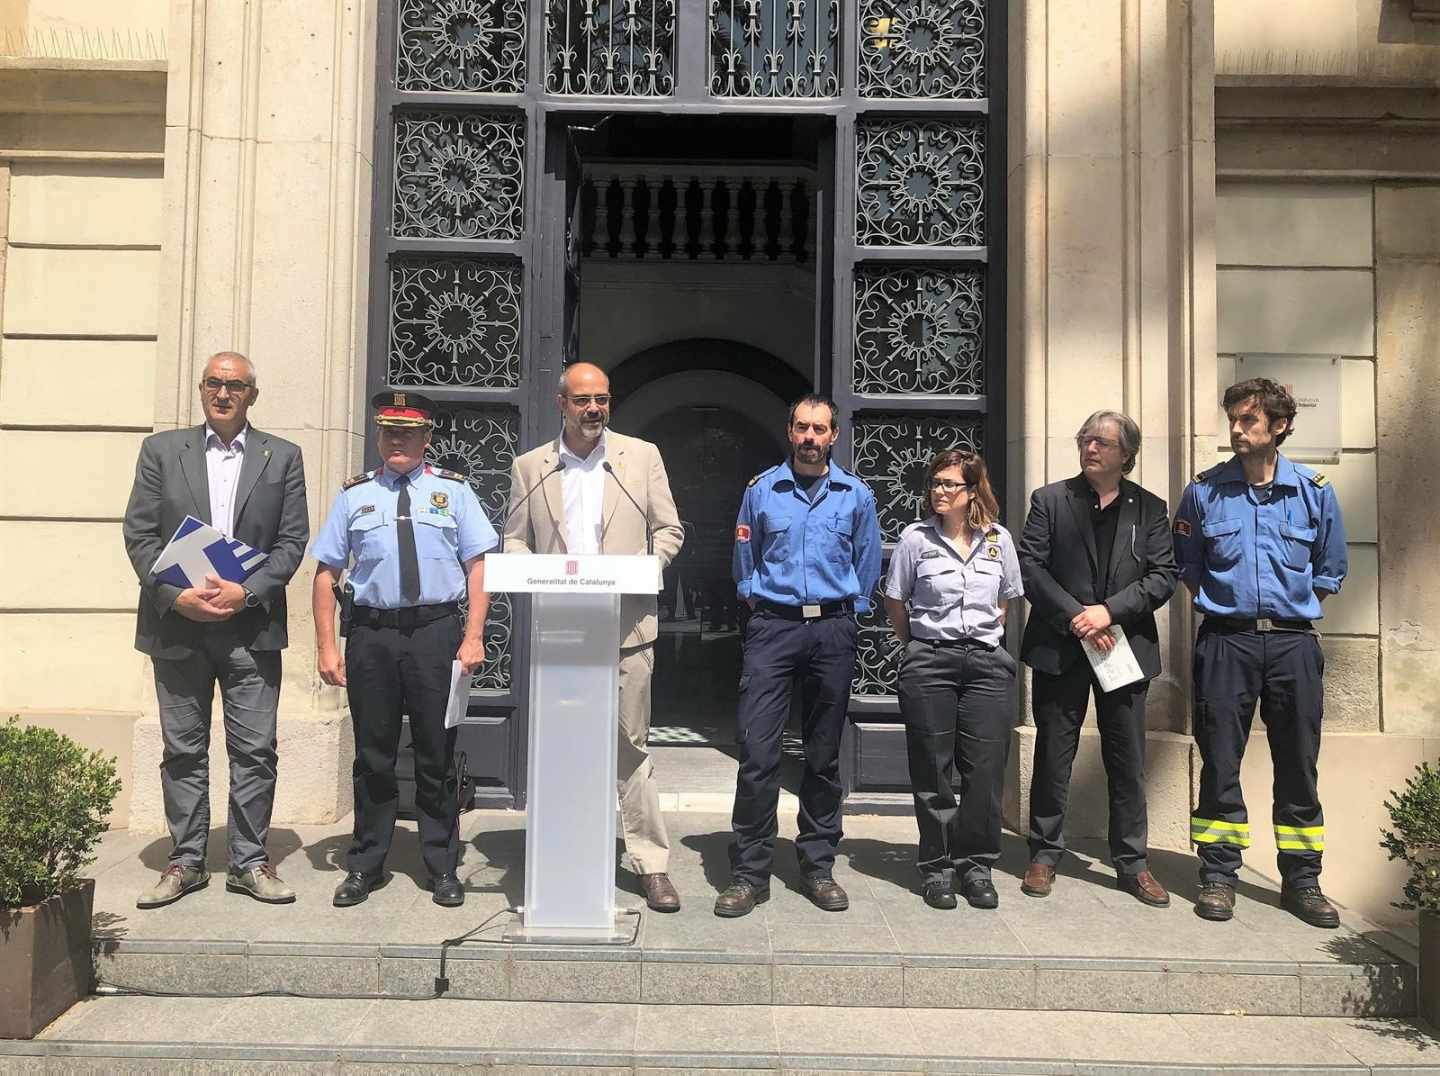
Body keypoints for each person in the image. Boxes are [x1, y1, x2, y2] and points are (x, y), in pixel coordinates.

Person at [122, 351, 309, 908]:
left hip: (250, 627)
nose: (222, 393)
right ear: (202, 390)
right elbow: (140, 534)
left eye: (234, 385)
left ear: (253, 394)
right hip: (177, 625)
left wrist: (246, 591)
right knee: (183, 749)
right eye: (213, 384)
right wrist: (175, 596)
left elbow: (292, 542)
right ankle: (186, 862)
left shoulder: (284, 457)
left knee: (255, 750)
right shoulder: (161, 450)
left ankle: (250, 861)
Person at [503, 363, 686, 912]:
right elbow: (514, 541)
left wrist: (646, 565)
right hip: (561, 630)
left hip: (626, 627)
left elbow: (668, 528)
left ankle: (650, 864)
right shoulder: (530, 466)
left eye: (602, 400)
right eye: (583, 400)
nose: (594, 410)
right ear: (561, 403)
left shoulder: (641, 456)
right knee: (563, 748)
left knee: (630, 747)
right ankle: (564, 855)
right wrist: (533, 573)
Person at [1173, 378, 1347, 928]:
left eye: (1247, 421)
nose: (1236, 430)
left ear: (1279, 426)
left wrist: (1290, 610)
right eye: (1232, 420)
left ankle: (1302, 879)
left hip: (1294, 643)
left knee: (1298, 762)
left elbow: (1329, 568)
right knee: (1220, 759)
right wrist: (1228, 607)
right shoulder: (1203, 492)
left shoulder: (1315, 491)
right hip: (1227, 641)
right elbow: (1188, 566)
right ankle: (1220, 876)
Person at [312, 391, 496, 908]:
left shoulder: (455, 493)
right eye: (389, 431)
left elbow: (478, 566)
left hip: (435, 633)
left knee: (436, 754)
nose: (398, 440)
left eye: (409, 432)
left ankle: (441, 863)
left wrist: (474, 635)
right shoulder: (354, 496)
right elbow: (326, 574)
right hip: (371, 635)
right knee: (373, 754)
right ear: (377, 436)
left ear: (426, 438)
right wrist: (328, 648)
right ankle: (366, 864)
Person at [716, 394, 882, 918]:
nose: (811, 438)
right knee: (759, 753)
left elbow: (868, 558)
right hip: (774, 629)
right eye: (802, 428)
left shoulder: (856, 496)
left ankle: (817, 865)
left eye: (820, 430)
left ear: (834, 436)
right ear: (790, 431)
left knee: (822, 755)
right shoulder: (761, 491)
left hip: (831, 629)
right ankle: (749, 872)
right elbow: (744, 556)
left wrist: (851, 609)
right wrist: (755, 597)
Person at [1017, 411, 1180, 906]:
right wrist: (1076, 617)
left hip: (1123, 648)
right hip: (1061, 647)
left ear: (1126, 455)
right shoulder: (1049, 501)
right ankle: (1044, 854)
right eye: (1086, 439)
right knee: (1053, 754)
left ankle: (1132, 862)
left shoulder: (1149, 509)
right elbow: (1030, 567)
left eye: (1102, 442)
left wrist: (1108, 613)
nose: (1091, 448)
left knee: (1127, 759)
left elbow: (1162, 576)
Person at [883, 449, 1022, 910]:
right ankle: (937, 868)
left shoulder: (999, 540)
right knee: (933, 767)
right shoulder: (914, 540)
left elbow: (1005, 603)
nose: (939, 491)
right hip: (930, 661)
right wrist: (917, 647)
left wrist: (981, 642)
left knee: (984, 770)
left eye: (950, 484)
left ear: (972, 490)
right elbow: (896, 602)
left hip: (985, 664)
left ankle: (976, 865)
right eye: (936, 483)